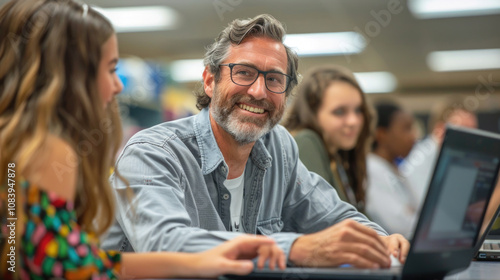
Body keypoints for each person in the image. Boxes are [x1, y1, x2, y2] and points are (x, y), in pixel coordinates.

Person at [0, 1, 285, 279]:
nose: (119, 84)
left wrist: (197, 261)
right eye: (111, 69)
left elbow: (68, 259)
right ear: (69, 75)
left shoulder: (17, 146)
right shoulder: (46, 152)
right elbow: (69, 268)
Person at [102, 14, 409, 268]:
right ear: (210, 81)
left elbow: (331, 214)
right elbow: (163, 243)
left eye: (274, 79)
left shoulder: (279, 148)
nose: (259, 92)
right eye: (244, 73)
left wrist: (379, 240)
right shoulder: (153, 153)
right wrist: (295, 248)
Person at [283, 65, 373, 214]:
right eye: (339, 112)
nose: (353, 121)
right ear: (312, 113)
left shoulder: (336, 156)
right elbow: (325, 219)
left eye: (358, 110)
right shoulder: (306, 141)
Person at [399, 98, 478, 208]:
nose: (472, 141)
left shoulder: (459, 162)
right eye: (464, 132)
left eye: (474, 133)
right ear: (440, 130)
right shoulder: (418, 161)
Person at [365, 102, 417, 238]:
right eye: (406, 129)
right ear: (382, 134)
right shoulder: (372, 169)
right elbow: (400, 226)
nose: (413, 136)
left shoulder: (395, 168)